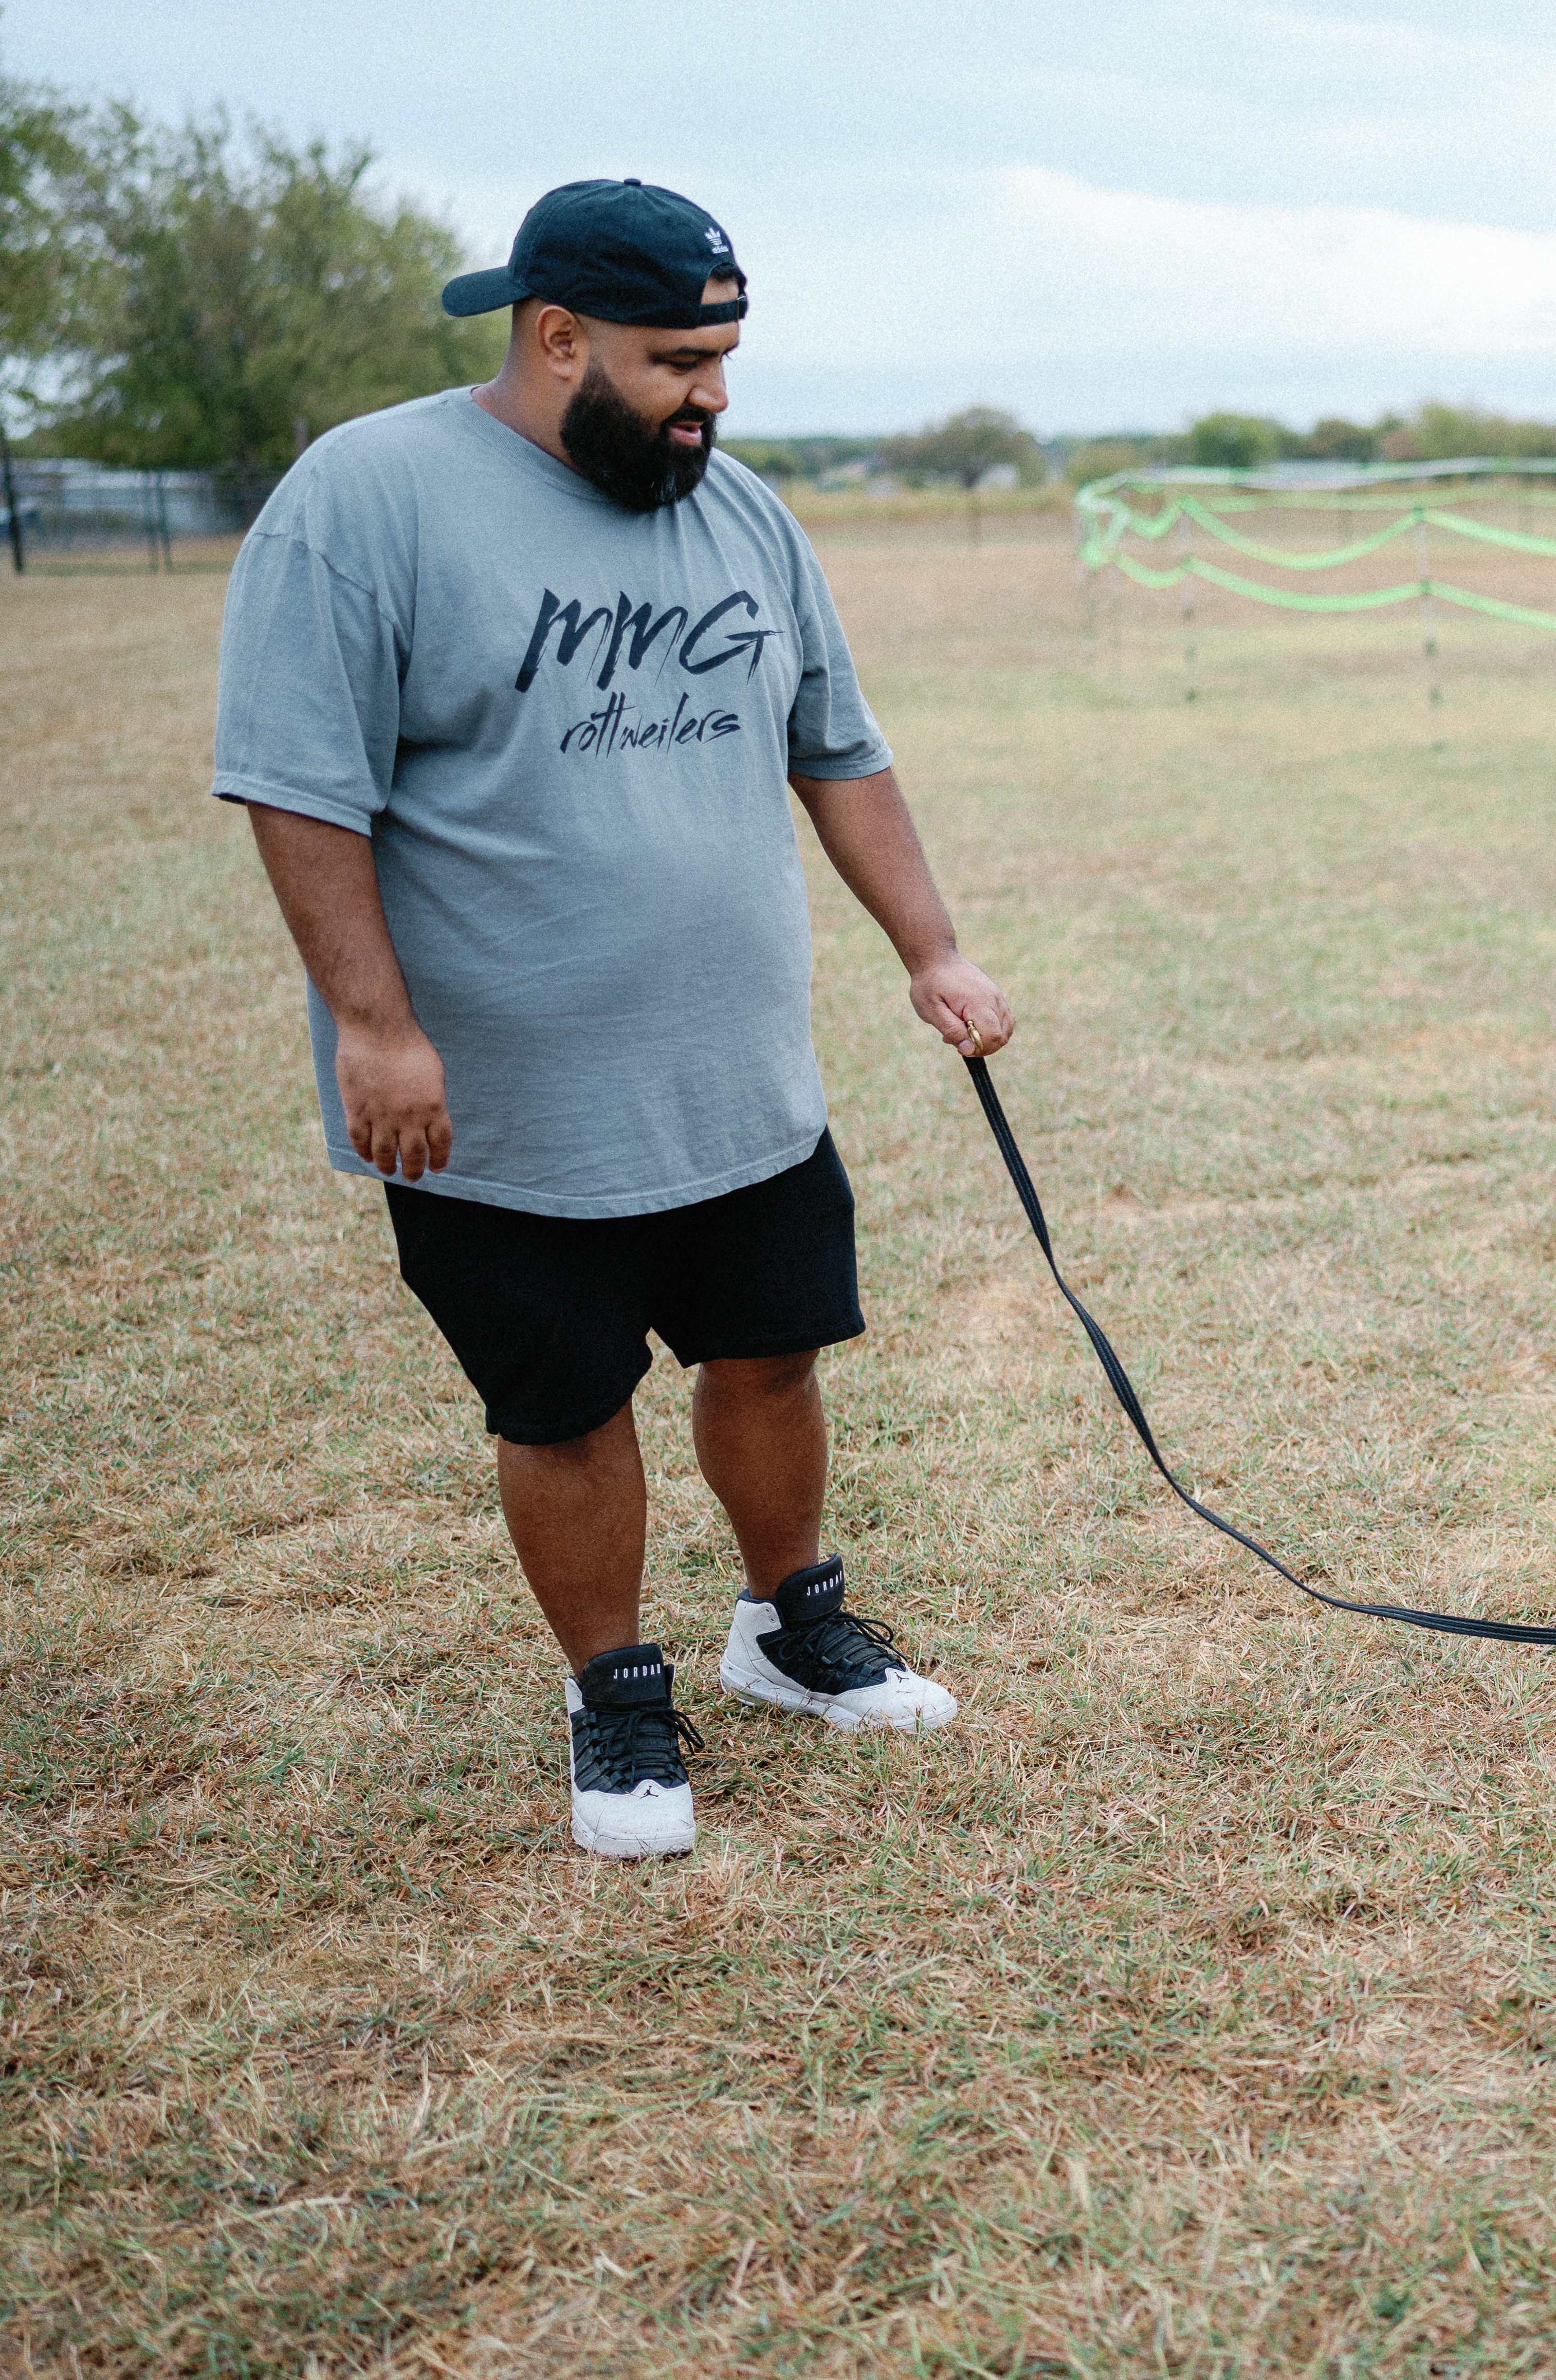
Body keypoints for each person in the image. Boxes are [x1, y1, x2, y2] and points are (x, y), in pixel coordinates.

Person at [212, 179, 1016, 1862]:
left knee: (773, 1348)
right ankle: (616, 1691)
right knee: (564, 1403)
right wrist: (375, 1026)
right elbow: (300, 791)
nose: (711, 398)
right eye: (674, 364)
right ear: (556, 336)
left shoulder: (741, 515)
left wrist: (929, 949)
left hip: (737, 1081)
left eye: (723, 359)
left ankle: (788, 1620)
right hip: (503, 1105)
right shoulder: (369, 500)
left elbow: (837, 749)